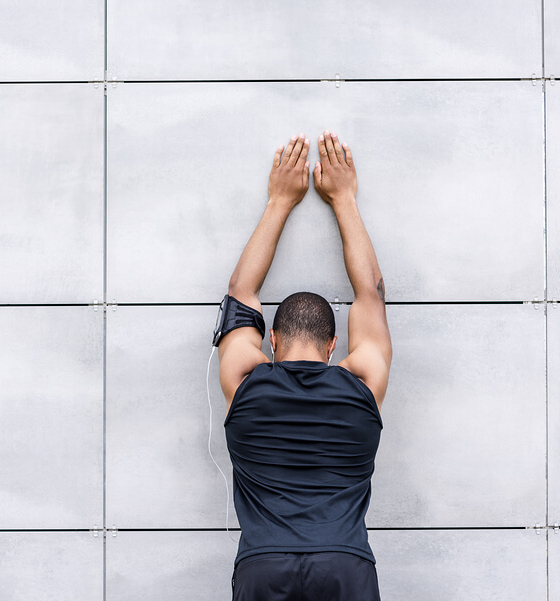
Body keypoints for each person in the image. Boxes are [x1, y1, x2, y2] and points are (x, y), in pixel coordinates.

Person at [217, 130, 392, 601]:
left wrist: (279, 201)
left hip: (263, 565)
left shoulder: (245, 383)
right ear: (334, 346)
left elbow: (240, 293)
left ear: (271, 340)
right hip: (344, 564)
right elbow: (370, 294)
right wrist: (344, 199)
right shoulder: (362, 385)